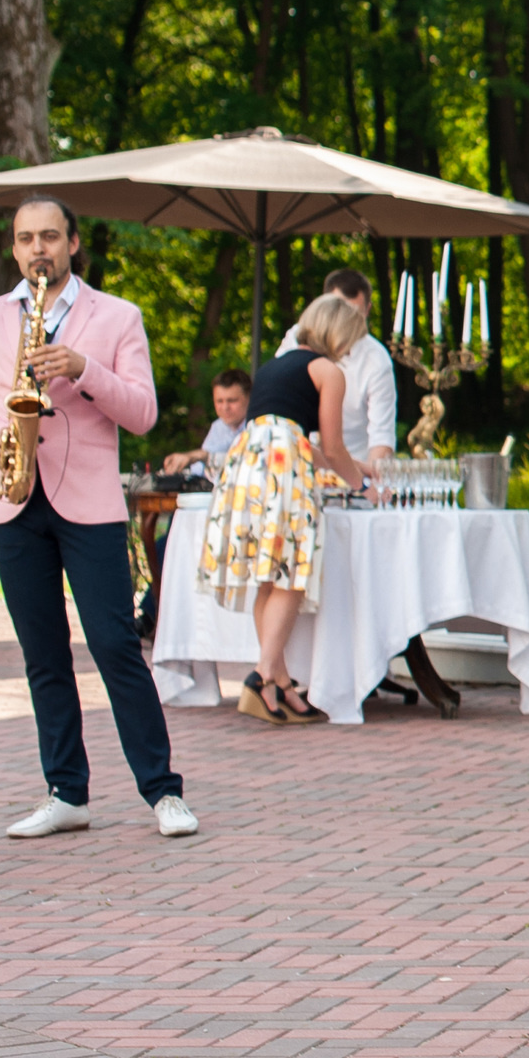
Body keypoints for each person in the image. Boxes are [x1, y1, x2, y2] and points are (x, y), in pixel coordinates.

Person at [0, 195, 197, 839]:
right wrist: (5, 439)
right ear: (14, 247)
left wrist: (84, 370)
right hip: (14, 499)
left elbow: (142, 413)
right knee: (42, 653)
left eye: (51, 237)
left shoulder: (118, 317)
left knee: (116, 645)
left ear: (73, 243)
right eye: (27, 238)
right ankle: (67, 792)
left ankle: (163, 792)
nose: (39, 249)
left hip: (89, 504)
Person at [198, 291, 371, 724]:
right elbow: (329, 444)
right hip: (280, 473)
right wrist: (361, 483)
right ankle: (260, 676)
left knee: (267, 576)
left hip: (247, 466)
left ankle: (280, 681)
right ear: (340, 335)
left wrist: (356, 467)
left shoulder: (275, 366)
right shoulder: (327, 371)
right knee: (292, 573)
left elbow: (284, 432)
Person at [277, 267, 397, 477]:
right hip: (295, 466)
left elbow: (381, 436)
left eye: (353, 316)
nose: (344, 324)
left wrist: (372, 481)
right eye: (338, 312)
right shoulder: (297, 339)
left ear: (367, 311)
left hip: (353, 469)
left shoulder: (377, 360)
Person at [161, 369, 251, 475]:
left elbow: (245, 463)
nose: (225, 407)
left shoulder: (260, 427)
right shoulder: (218, 426)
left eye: (232, 400)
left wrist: (198, 456)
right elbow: (199, 468)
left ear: (249, 398)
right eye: (219, 401)